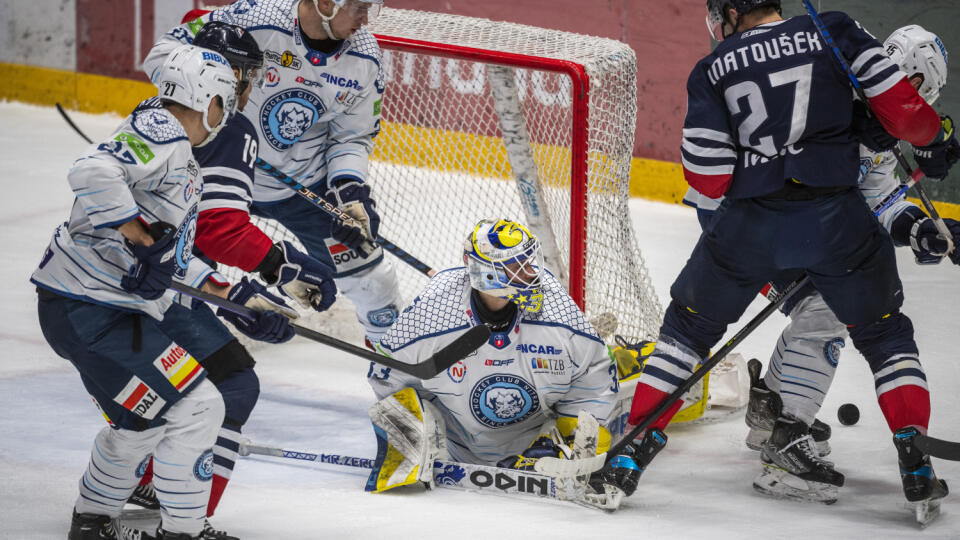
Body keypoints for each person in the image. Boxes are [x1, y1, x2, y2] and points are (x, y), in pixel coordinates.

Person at [603, 0, 959, 510]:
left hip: (744, 223)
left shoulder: (722, 64)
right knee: (848, 317)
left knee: (689, 331)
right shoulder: (834, 45)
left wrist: (923, 230)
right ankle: (792, 433)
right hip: (815, 223)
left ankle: (660, 442)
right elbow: (907, 126)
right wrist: (929, 136)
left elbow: (880, 196)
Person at [33, 45, 296, 540]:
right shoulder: (163, 131)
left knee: (143, 420)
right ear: (208, 98)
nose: (230, 109)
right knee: (201, 407)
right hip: (95, 312)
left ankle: (90, 523)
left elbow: (170, 257)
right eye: (225, 98)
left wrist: (240, 301)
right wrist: (141, 238)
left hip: (85, 311)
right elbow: (90, 171)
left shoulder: (177, 149)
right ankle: (182, 532)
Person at [732, 23, 960, 503]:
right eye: (920, 98)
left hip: (793, 228)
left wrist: (920, 229)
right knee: (828, 307)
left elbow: (878, 198)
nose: (919, 110)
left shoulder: (874, 119)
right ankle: (783, 440)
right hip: (757, 219)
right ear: (913, 83)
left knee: (841, 306)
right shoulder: (832, 96)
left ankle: (773, 409)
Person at [127, 22, 336, 540]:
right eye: (239, 75)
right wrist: (277, 264)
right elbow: (219, 229)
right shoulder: (227, 127)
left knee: (173, 394)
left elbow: (189, 233)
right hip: (156, 286)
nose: (245, 88)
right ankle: (182, 517)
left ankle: (140, 487)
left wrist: (237, 291)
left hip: (125, 278)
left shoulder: (153, 112)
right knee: (233, 385)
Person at [144, 0, 404, 350]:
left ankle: (395, 367)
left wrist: (349, 189)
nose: (366, 18)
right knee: (170, 255)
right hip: (219, 165)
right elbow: (162, 55)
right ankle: (177, 352)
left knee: (375, 281)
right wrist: (217, 102)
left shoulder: (366, 57)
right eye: (359, 7)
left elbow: (351, 137)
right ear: (326, 3)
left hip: (304, 182)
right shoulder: (255, 17)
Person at [363, 219, 630, 503]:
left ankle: (630, 360)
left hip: (537, 447)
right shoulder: (433, 313)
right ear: (485, 274)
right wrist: (408, 437)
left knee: (611, 375)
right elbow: (387, 374)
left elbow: (594, 374)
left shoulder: (556, 311)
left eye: (529, 261)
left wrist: (572, 442)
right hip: (453, 447)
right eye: (517, 265)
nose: (531, 273)